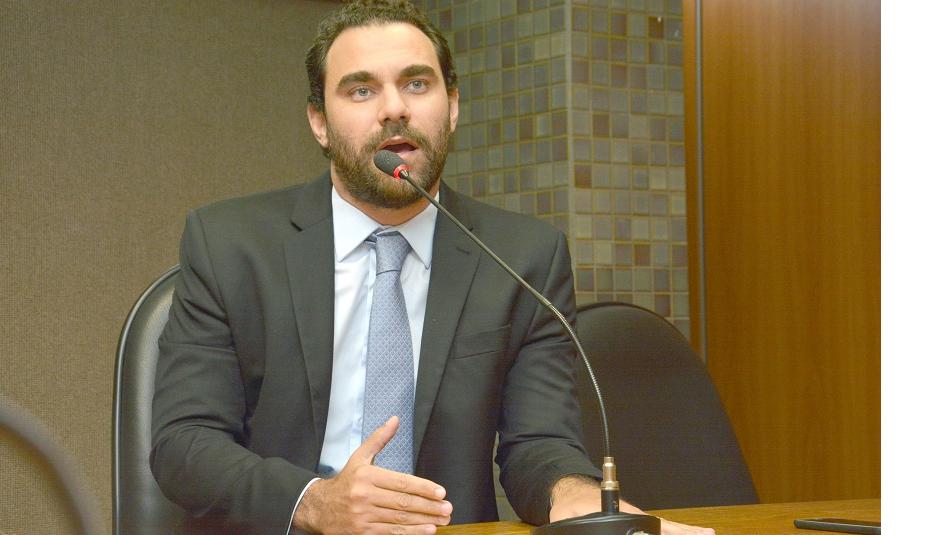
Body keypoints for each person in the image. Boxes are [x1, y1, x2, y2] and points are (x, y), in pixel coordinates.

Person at [150, 1, 714, 534]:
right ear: (319, 122)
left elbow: (539, 444)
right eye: (361, 89)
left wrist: (581, 502)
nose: (394, 108)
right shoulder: (230, 245)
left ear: (453, 106)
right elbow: (184, 442)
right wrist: (315, 502)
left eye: (417, 84)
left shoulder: (523, 257)